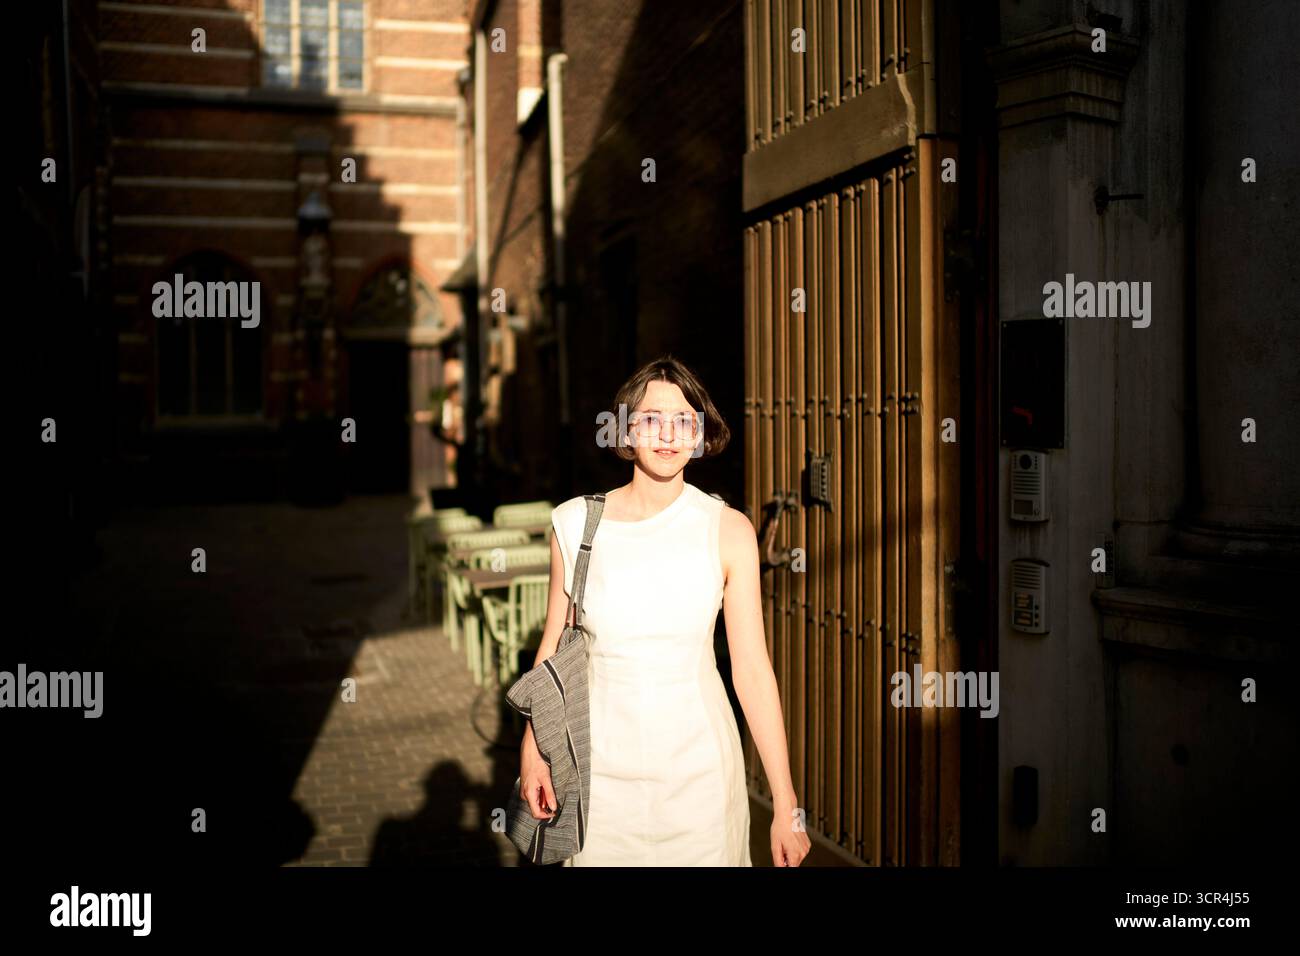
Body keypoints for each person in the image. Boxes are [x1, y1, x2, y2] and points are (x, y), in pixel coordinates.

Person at [518, 356, 811, 866]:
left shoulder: (728, 530)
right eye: (652, 419)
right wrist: (532, 749)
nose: (668, 435)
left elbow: (752, 671)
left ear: (700, 434)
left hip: (701, 785)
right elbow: (551, 654)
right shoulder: (575, 525)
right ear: (626, 428)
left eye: (684, 421)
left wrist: (785, 800)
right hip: (599, 785)